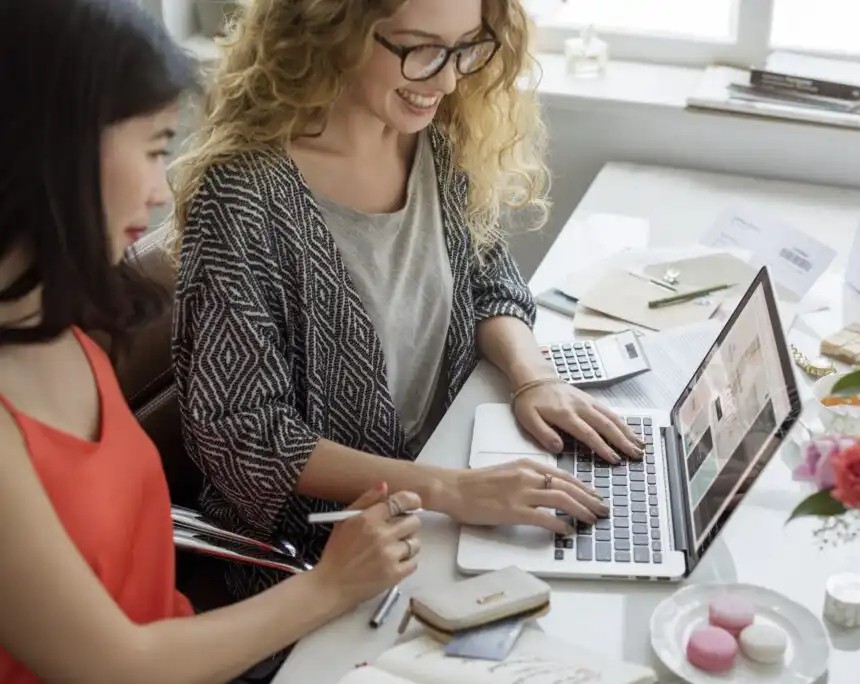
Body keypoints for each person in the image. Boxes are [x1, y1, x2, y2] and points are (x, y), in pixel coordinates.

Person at [0, 1, 421, 682]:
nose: (160, 189)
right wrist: (329, 585)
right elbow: (117, 666)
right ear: (54, 148)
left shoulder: (62, 326)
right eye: (152, 147)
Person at [169, 0, 644, 602]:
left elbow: (488, 277)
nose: (446, 80)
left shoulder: (435, 141)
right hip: (324, 557)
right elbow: (242, 434)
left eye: (464, 48)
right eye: (420, 49)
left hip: (447, 486)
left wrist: (534, 380)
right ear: (332, 31)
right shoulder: (243, 198)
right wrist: (450, 490)